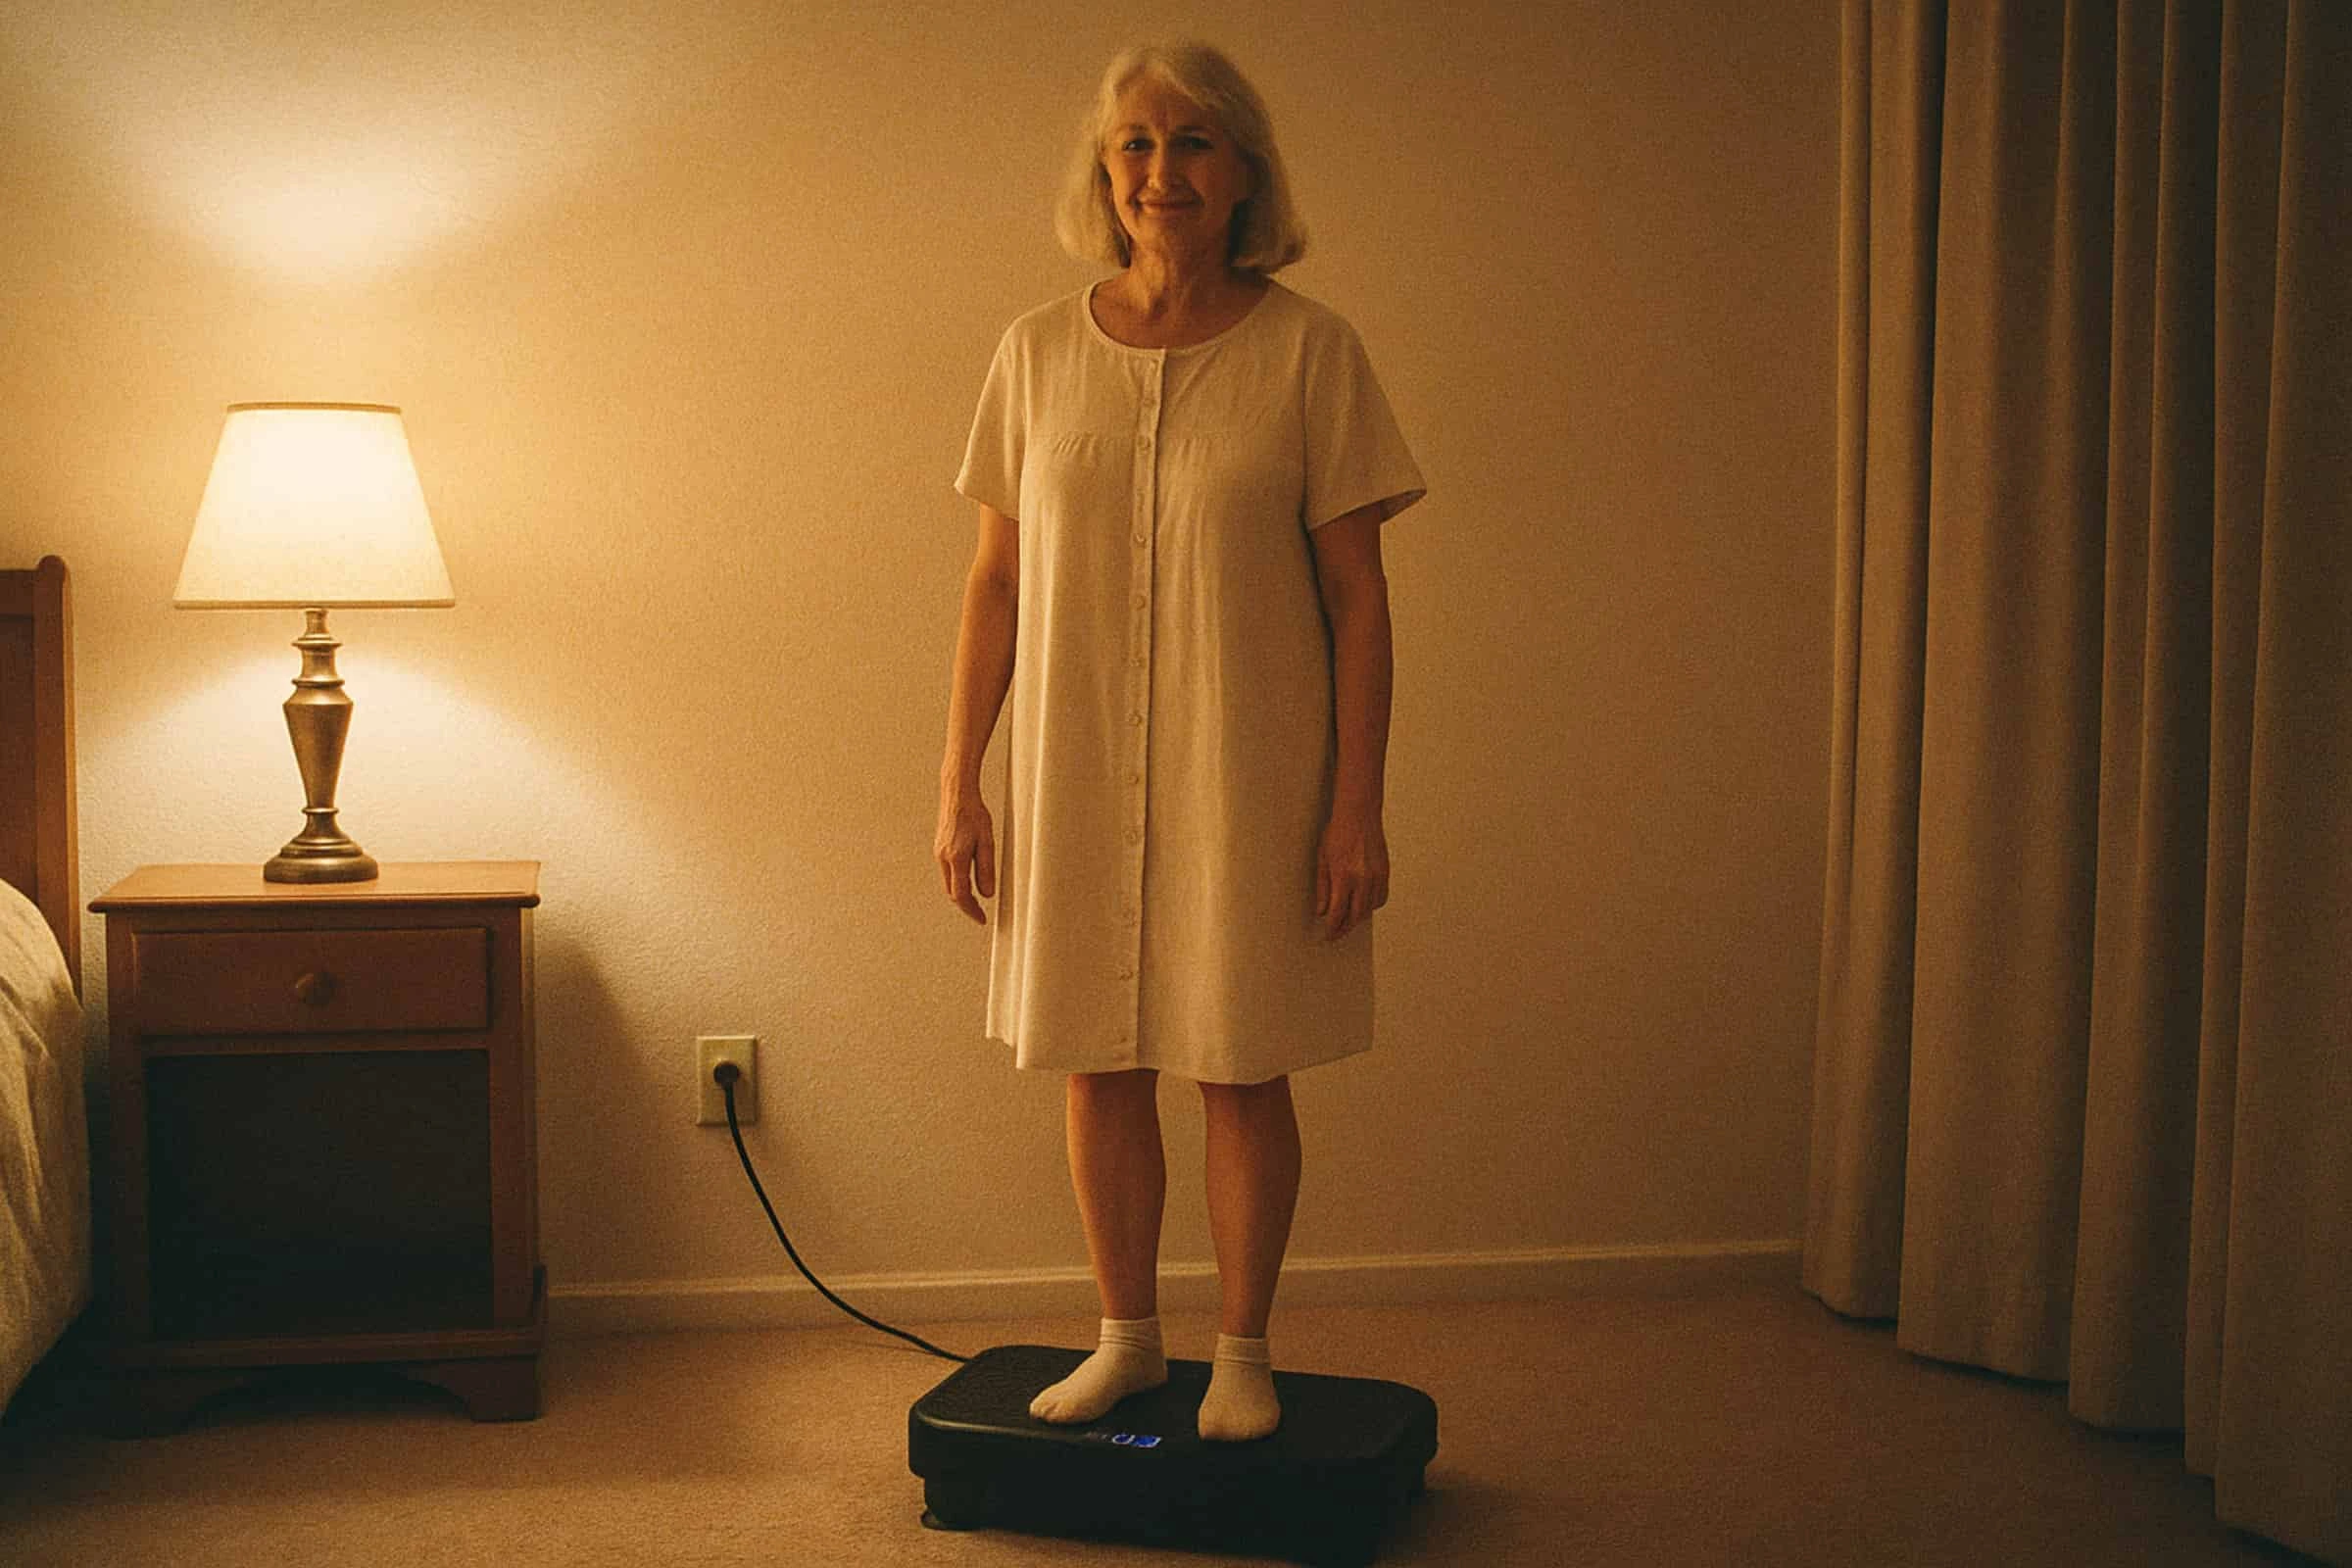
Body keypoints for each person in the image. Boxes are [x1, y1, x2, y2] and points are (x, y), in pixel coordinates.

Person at [935, 39, 1424, 1444]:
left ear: (1245, 171)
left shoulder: (1311, 352)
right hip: (1076, 763)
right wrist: (958, 777)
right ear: (1105, 170)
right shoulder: (1033, 354)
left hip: (1248, 769)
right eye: (1138, 144)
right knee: (1097, 1051)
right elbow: (994, 584)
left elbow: (1358, 596)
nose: (1164, 172)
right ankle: (1128, 1341)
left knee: (1237, 1056)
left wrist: (1356, 808)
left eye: (1196, 143)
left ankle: (1246, 1348)